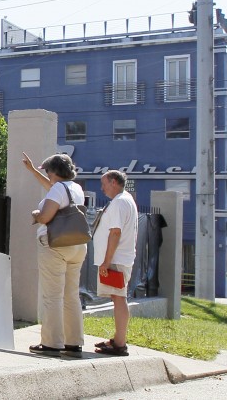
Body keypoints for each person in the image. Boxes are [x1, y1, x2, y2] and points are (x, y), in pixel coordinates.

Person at [21, 151, 87, 356]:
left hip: (55, 246)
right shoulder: (74, 188)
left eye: (48, 171)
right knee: (71, 295)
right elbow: (54, 189)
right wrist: (33, 171)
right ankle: (73, 342)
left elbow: (46, 217)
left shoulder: (58, 188)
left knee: (52, 295)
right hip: (77, 245)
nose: (47, 175)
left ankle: (51, 342)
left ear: (54, 171)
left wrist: (36, 214)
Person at [93, 169, 138, 356]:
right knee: (117, 297)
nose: (102, 188)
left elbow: (115, 232)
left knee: (119, 297)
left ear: (113, 182)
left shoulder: (119, 202)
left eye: (104, 184)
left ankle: (119, 343)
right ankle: (118, 340)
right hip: (120, 258)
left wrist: (106, 261)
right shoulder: (125, 200)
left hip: (116, 260)